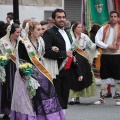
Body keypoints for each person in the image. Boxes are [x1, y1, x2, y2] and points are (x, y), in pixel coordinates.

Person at [10, 21, 66, 120]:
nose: (41, 31)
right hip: (27, 72)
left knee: (48, 90)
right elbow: (21, 60)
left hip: (39, 70)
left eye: (41, 29)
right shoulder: (23, 42)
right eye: (38, 29)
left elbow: (42, 54)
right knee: (31, 97)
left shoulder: (41, 40)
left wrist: (53, 49)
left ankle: (48, 116)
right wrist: (24, 73)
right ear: (31, 31)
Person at [43, 9, 81, 113]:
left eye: (63, 17)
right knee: (57, 99)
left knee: (64, 100)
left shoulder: (68, 33)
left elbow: (72, 53)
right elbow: (46, 52)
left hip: (68, 71)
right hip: (56, 71)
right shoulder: (49, 33)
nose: (62, 19)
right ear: (53, 19)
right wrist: (63, 54)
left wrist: (78, 71)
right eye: (59, 17)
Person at [94, 11, 120, 105]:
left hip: (117, 55)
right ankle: (102, 98)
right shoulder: (103, 28)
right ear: (109, 17)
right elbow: (97, 40)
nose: (113, 18)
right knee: (104, 76)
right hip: (105, 54)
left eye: (115, 16)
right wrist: (107, 46)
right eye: (111, 16)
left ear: (117, 18)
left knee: (118, 76)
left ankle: (118, 98)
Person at [69, 23, 97, 104]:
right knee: (73, 77)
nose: (80, 28)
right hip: (72, 58)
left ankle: (78, 97)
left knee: (82, 77)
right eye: (78, 27)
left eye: (81, 27)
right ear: (74, 28)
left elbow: (91, 46)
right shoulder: (69, 36)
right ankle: (72, 97)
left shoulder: (85, 37)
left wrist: (98, 45)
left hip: (82, 59)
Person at [0, 23, 21, 119]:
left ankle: (16, 111)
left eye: (20, 32)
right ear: (11, 32)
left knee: (17, 89)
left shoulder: (20, 41)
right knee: (7, 89)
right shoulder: (2, 41)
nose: (19, 34)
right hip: (7, 67)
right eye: (17, 32)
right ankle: (6, 111)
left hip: (18, 67)